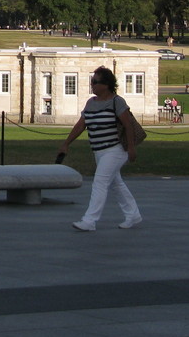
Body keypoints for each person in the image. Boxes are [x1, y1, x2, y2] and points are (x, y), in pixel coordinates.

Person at [57, 66, 141, 231]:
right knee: (116, 183)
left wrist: (131, 148)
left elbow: (128, 125)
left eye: (95, 82)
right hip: (99, 151)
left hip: (116, 150)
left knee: (100, 182)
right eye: (92, 82)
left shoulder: (117, 101)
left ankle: (90, 220)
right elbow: (81, 125)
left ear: (106, 85)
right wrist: (66, 143)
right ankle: (133, 214)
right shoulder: (90, 103)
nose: (92, 85)